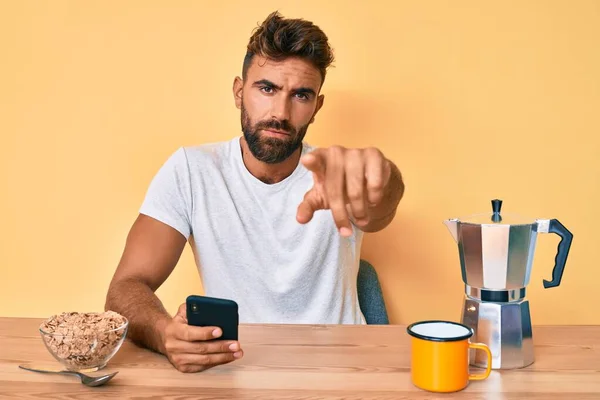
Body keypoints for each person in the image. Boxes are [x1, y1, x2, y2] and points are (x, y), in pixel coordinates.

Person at [105, 11, 405, 373]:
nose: (280, 112)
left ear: (317, 107)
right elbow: (125, 287)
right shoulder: (192, 170)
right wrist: (164, 332)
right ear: (238, 91)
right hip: (234, 370)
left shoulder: (339, 177)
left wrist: (382, 176)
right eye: (267, 88)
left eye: (301, 95)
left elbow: (381, 202)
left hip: (341, 370)